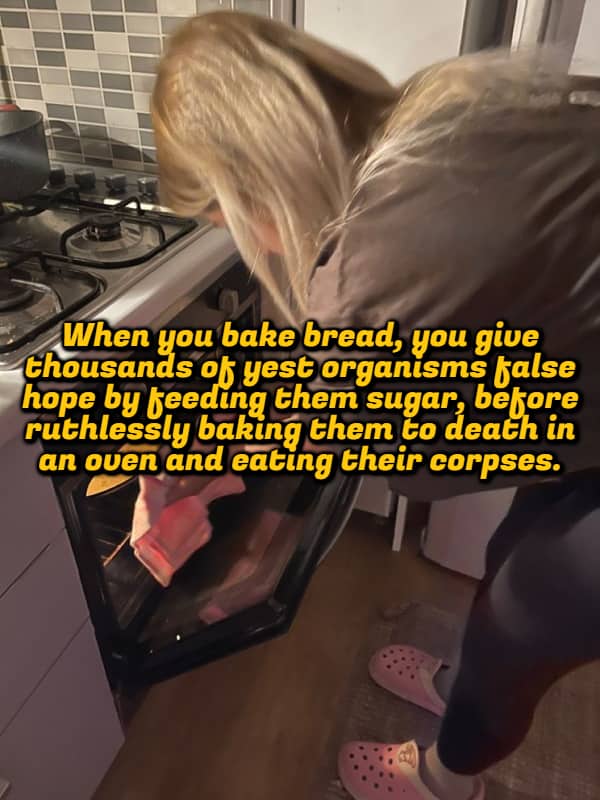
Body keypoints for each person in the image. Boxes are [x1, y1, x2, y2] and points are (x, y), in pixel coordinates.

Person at [151, 11, 600, 800]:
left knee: (526, 612)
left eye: (238, 221)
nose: (267, 247)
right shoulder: (441, 107)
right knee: (514, 555)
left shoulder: (382, 262)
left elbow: (414, 466)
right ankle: (464, 679)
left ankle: (446, 777)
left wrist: (249, 508)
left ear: (263, 186)